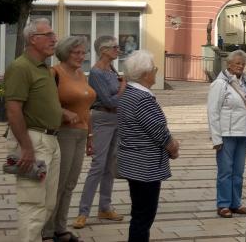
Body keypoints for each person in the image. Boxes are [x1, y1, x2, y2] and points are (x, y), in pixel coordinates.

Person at [4, 18, 63, 242]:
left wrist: (61, 113)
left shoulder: (43, 68)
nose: (54, 39)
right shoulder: (20, 67)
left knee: (47, 202)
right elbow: (13, 111)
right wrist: (26, 148)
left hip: (51, 140)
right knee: (32, 203)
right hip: (34, 141)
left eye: (53, 34)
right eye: (47, 35)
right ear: (32, 39)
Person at [118, 51, 179, 241]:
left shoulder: (128, 93)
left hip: (133, 163)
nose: (155, 72)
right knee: (144, 216)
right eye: (154, 69)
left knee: (138, 213)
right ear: (145, 74)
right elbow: (158, 130)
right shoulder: (142, 99)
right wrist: (173, 146)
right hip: (145, 166)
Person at [43, 36, 95, 242]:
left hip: (81, 133)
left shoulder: (81, 74)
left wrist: (90, 135)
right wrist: (64, 112)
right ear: (65, 52)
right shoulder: (54, 73)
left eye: (83, 53)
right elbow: (45, 103)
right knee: (58, 183)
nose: (81, 57)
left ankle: (60, 227)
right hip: (63, 133)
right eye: (77, 53)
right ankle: (47, 230)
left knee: (71, 183)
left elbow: (87, 108)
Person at [74, 36, 126, 229]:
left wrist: (120, 87)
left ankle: (105, 206)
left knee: (110, 166)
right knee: (98, 165)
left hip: (116, 119)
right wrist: (123, 86)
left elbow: (115, 99)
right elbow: (109, 101)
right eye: (114, 47)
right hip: (103, 119)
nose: (118, 50)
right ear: (104, 50)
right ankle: (83, 211)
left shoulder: (111, 70)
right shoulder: (96, 72)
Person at [208, 50, 246, 217]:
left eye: (243, 64)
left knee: (238, 172)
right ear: (228, 64)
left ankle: (236, 203)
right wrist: (216, 138)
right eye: (237, 63)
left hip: (242, 133)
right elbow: (213, 112)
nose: (240, 66)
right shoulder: (220, 84)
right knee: (225, 171)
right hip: (226, 134)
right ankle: (223, 204)